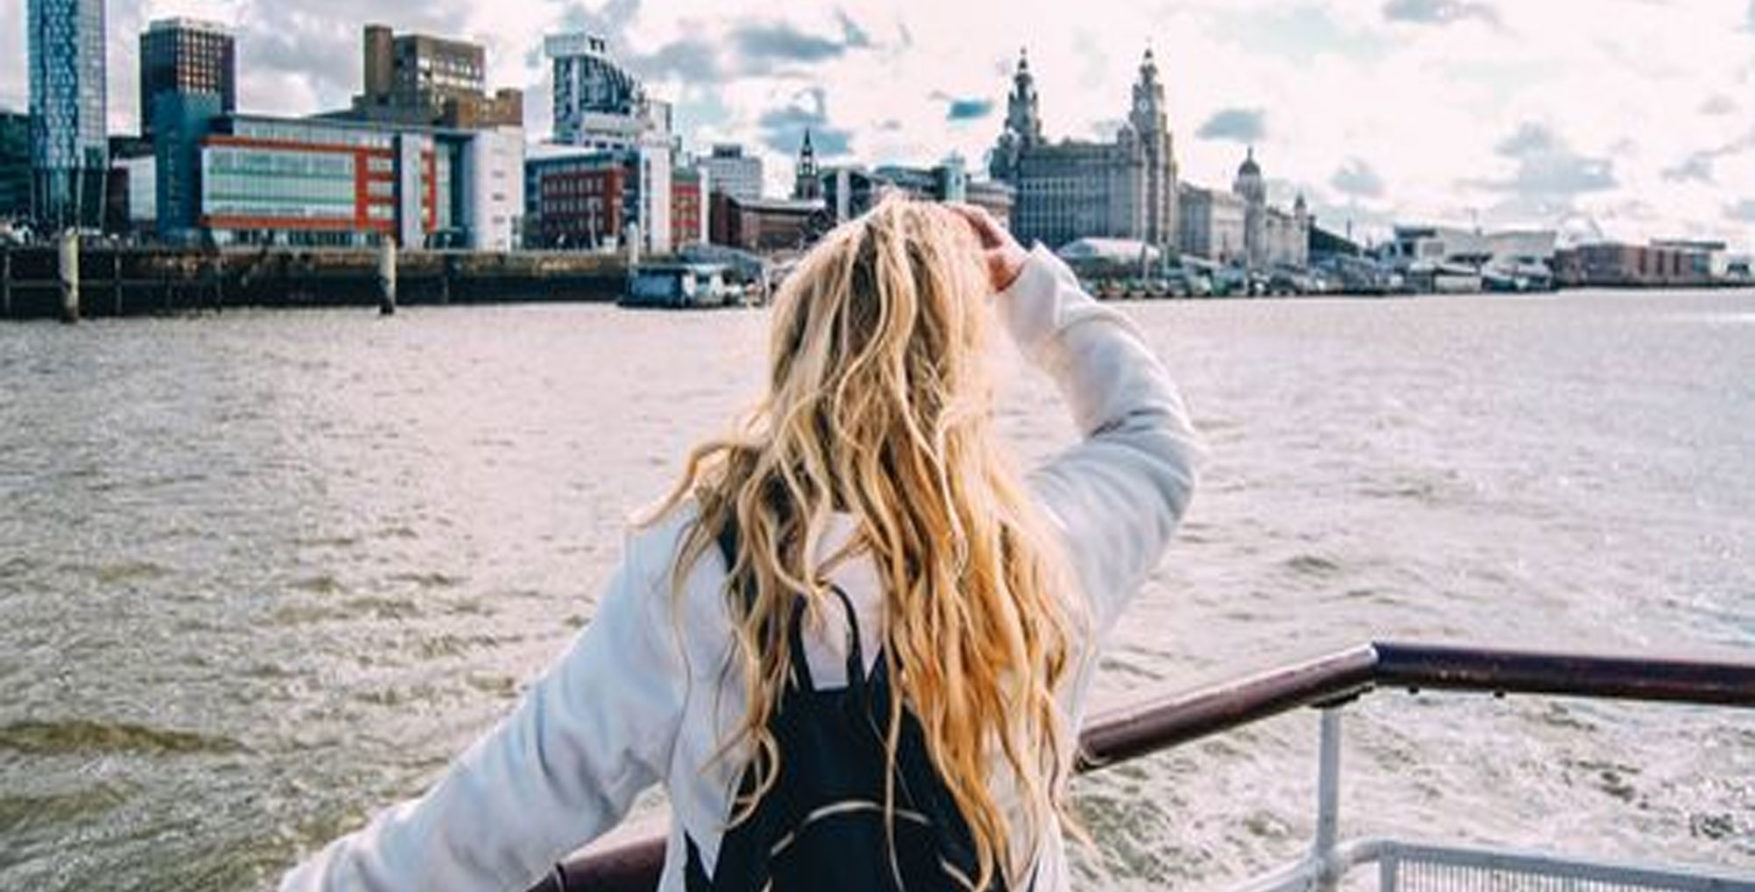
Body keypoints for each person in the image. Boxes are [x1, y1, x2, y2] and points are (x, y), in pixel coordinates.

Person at [279, 199, 1202, 891]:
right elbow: (1155, 433)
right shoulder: (1040, 553)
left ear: (796, 360)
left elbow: (504, 804)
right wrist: (1031, 290)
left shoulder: (699, 569)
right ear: (966, 375)